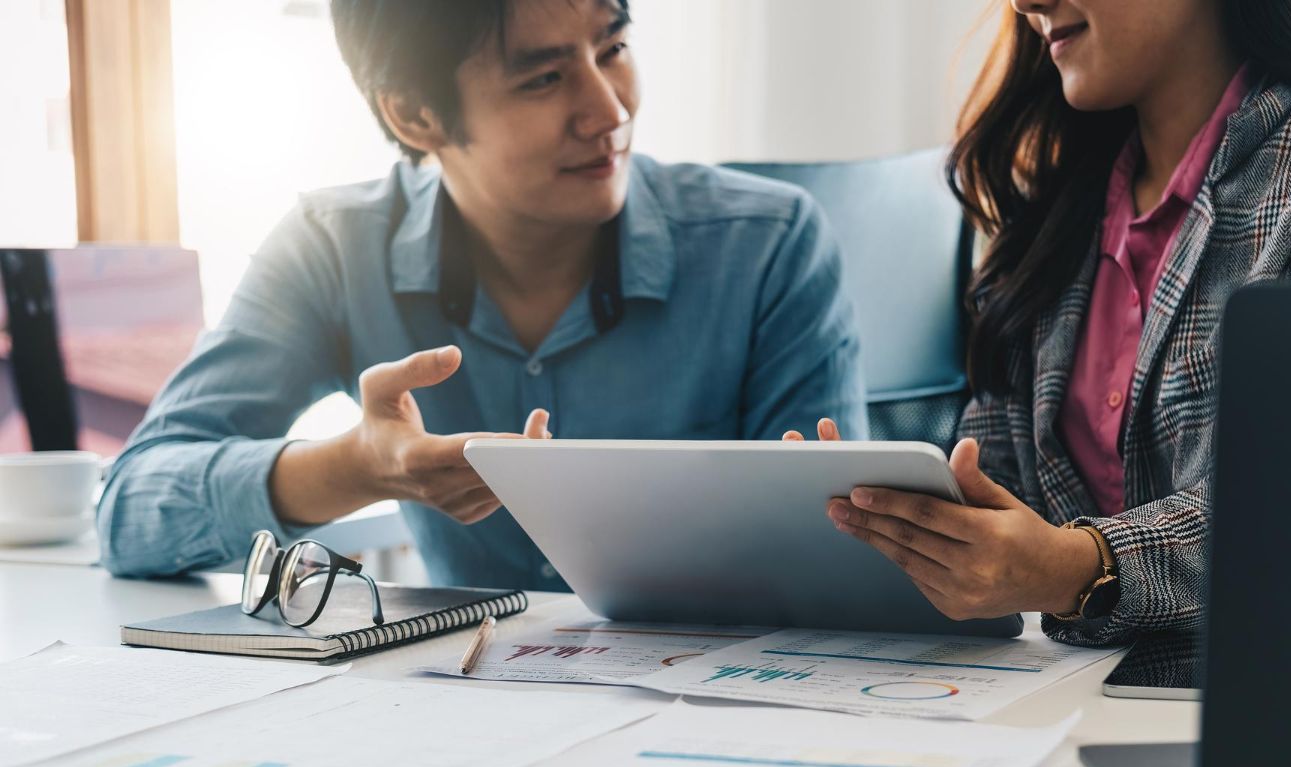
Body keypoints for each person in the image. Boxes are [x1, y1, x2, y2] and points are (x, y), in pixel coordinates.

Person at [97, 0, 867, 590]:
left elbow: (841, 559)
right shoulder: (332, 247)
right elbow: (130, 508)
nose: (610, 111)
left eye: (614, 49)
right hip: (461, 715)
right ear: (413, 113)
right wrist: (357, 468)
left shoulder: (767, 245)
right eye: (543, 77)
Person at [787, 0, 1291, 645]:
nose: (1026, 3)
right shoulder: (1048, 226)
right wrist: (880, 528)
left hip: (1271, 704)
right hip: (1051, 703)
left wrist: (1077, 566)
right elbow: (994, 492)